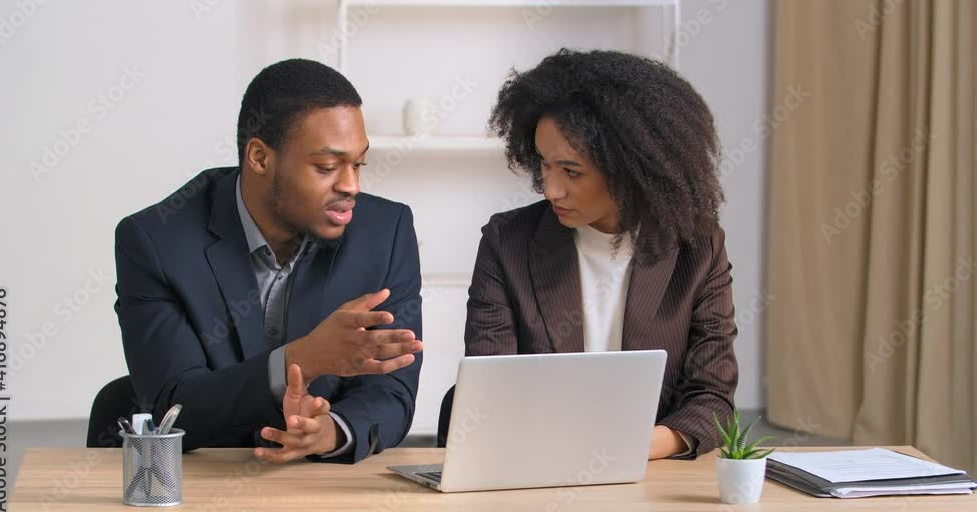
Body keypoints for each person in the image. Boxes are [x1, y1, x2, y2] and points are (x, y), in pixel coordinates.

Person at [114, 59, 423, 463]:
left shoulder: (386, 231)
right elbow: (173, 408)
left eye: (358, 163)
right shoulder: (156, 242)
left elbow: (392, 390)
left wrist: (329, 433)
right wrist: (303, 359)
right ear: (259, 157)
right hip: (200, 489)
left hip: (323, 491)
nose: (351, 185)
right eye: (327, 167)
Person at [464, 49, 738, 459]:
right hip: (531, 463)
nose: (551, 189)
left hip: (652, 469)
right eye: (544, 165)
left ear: (633, 168)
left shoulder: (697, 248)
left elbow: (712, 399)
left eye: (571, 172)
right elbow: (491, 389)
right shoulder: (508, 242)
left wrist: (624, 448)